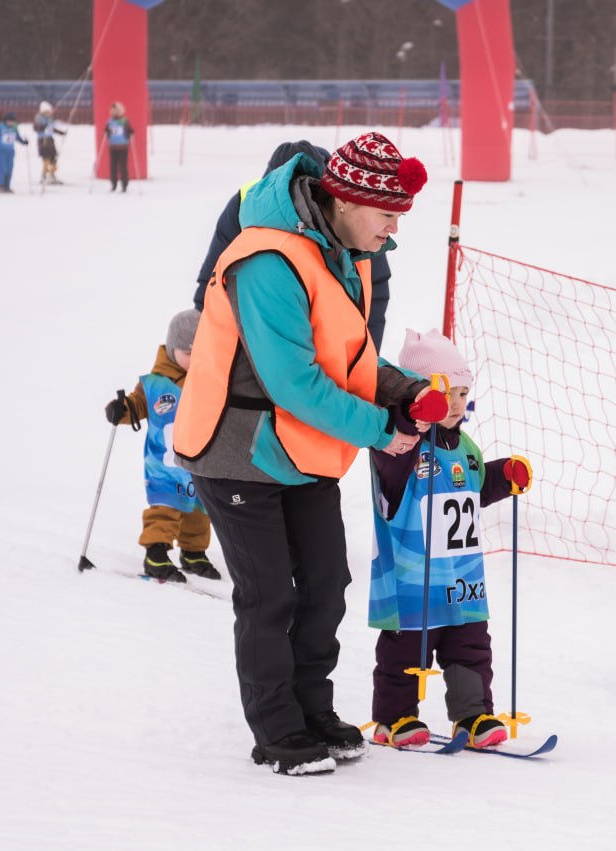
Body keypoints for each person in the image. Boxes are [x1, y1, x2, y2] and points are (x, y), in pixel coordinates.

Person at [174, 131, 442, 777]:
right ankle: (278, 728)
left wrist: (407, 390)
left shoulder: (339, 253)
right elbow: (293, 381)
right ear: (346, 201)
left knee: (325, 585)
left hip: (302, 449)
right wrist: (381, 427)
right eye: (387, 215)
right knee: (270, 596)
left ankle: (312, 708)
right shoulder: (267, 260)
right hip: (238, 451)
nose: (393, 231)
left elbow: (346, 354)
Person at [368, 329, 533, 749]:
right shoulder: (400, 445)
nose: (456, 405)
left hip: (462, 578)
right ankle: (396, 718)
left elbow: (472, 490)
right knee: (405, 653)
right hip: (411, 579)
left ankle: (473, 716)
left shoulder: (466, 447)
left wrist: (503, 476)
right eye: (446, 395)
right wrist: (411, 412)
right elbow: (395, 458)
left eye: (462, 394)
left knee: (471, 646)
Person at [192, 140, 395, 353]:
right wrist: (206, 347)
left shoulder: (344, 214)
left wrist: (366, 358)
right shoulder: (246, 203)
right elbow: (213, 280)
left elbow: (375, 285)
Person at [104, 310, 221, 584]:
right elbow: (137, 407)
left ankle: (194, 553)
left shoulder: (210, 381)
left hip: (199, 462)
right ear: (172, 349)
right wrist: (122, 410)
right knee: (165, 507)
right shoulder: (156, 384)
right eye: (187, 353)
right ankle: (156, 553)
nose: (194, 361)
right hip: (164, 463)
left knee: (199, 509)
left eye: (200, 352)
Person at [0, 113, 28, 194]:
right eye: (9, 121)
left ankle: (7, 185)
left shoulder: (14, 128)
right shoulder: (0, 127)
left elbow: (17, 137)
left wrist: (23, 142)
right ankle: (0, 185)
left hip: (10, 151)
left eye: (12, 122)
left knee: (9, 169)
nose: (11, 123)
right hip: (1, 151)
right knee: (2, 168)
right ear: (5, 121)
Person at [34, 101, 67, 185]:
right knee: (46, 159)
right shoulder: (38, 118)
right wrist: (43, 126)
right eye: (48, 111)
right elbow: (36, 127)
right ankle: (44, 176)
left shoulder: (50, 119)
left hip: (50, 140)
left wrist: (61, 133)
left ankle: (52, 175)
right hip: (43, 141)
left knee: (54, 158)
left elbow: (52, 129)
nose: (50, 113)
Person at [104, 102, 134, 192]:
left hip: (122, 146)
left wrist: (130, 134)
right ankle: (114, 184)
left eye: (113, 110)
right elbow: (107, 130)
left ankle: (124, 185)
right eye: (111, 110)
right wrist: (106, 133)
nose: (111, 112)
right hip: (113, 146)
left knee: (123, 166)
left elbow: (130, 130)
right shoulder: (110, 121)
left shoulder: (124, 120)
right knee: (113, 166)